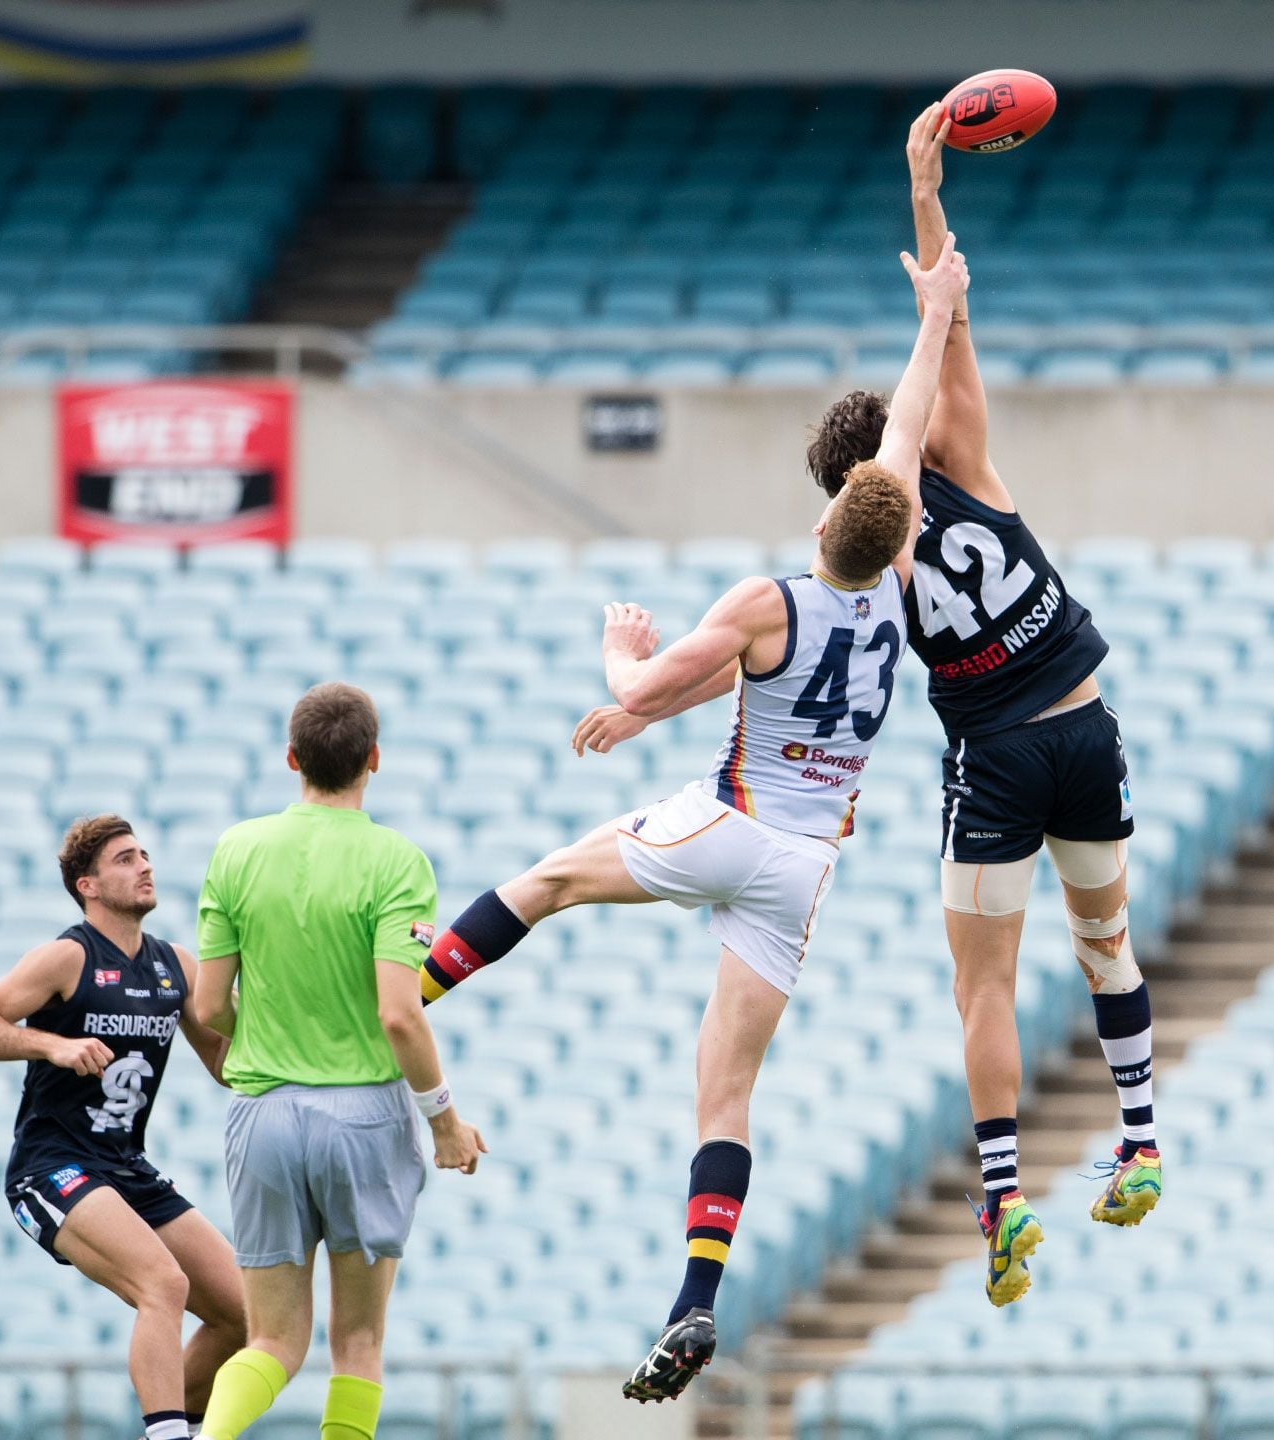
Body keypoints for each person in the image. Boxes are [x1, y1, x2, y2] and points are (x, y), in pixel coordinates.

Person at [415, 239, 971, 1402]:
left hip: (731, 822)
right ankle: (694, 1303)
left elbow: (638, 684)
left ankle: (400, 1001)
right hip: (806, 867)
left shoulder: (767, 598)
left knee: (551, 882)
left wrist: (621, 649)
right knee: (724, 1095)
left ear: (824, 518)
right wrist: (938, 319)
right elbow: (907, 436)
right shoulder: (899, 581)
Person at [799, 102, 1157, 1308]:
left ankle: (1003, 1194)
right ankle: (1143, 1137)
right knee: (1104, 942)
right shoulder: (974, 464)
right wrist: (924, 196)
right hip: (1084, 721)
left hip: (994, 754)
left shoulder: (861, 551)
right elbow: (949, 326)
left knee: (984, 988)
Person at [188, 683, 485, 1440]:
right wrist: (444, 1121)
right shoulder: (396, 862)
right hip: (361, 1118)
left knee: (272, 1343)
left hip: (262, 1117)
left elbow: (209, 1006)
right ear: (374, 760)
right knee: (357, 1344)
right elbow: (398, 1012)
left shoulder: (238, 849)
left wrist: (266, 1032)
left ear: (292, 759)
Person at [0, 814, 244, 1440]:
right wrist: (51, 1046)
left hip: (125, 1166)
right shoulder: (67, 956)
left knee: (241, 1314)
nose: (145, 866)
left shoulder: (175, 966)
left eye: (145, 855)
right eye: (126, 859)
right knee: (162, 1283)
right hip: (51, 1167)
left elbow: (223, 1063)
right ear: (89, 885)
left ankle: (181, 1426)